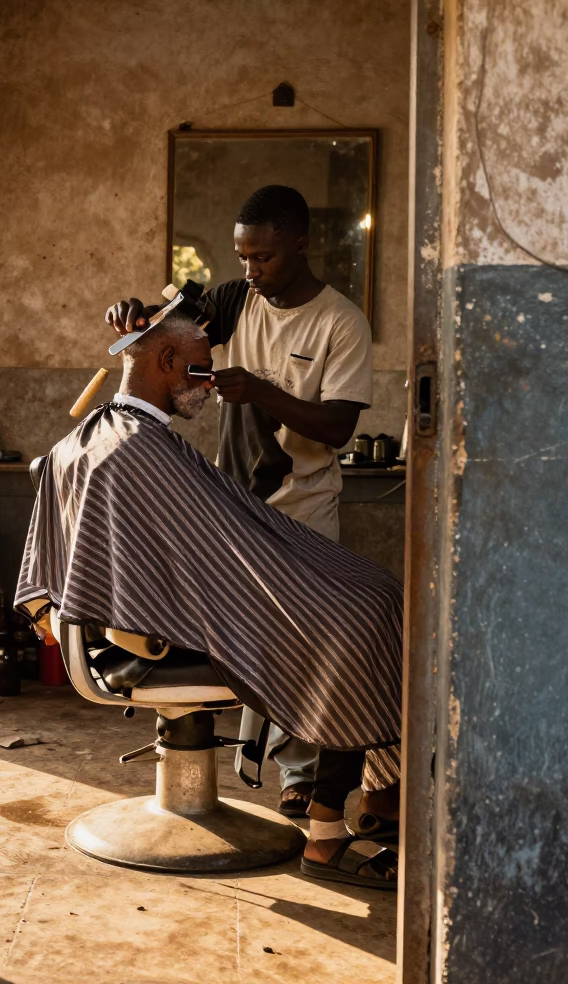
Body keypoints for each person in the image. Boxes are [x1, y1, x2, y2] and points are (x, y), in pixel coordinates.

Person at [16, 313, 401, 888]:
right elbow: (216, 557)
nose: (209, 381)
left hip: (139, 624)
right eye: (200, 368)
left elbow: (202, 552)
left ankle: (380, 798)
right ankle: (326, 837)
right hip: (155, 639)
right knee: (359, 620)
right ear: (166, 362)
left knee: (367, 598)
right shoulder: (137, 453)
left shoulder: (102, 436)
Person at [105, 184, 396, 826]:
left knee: (310, 642)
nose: (250, 271)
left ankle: (300, 776)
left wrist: (264, 392)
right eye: (241, 257)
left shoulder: (340, 322)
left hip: (303, 508)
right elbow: (170, 325)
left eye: (262, 257)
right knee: (263, 635)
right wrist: (138, 314)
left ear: (301, 244)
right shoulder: (236, 301)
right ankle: (282, 768)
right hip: (235, 512)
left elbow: (338, 427)